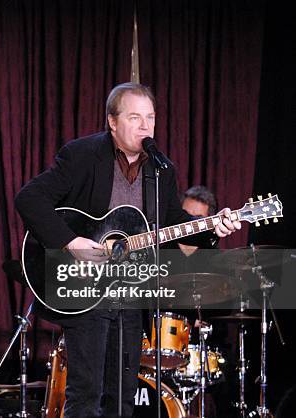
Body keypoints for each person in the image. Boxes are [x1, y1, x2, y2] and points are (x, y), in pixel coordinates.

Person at [15, 83, 240, 417]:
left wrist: (214, 228)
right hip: (84, 289)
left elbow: (175, 224)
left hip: (130, 295)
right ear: (112, 121)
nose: (145, 125)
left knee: (122, 400)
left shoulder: (161, 170)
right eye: (135, 117)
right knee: (86, 395)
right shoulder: (82, 155)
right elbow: (28, 198)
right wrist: (70, 242)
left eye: (149, 117)